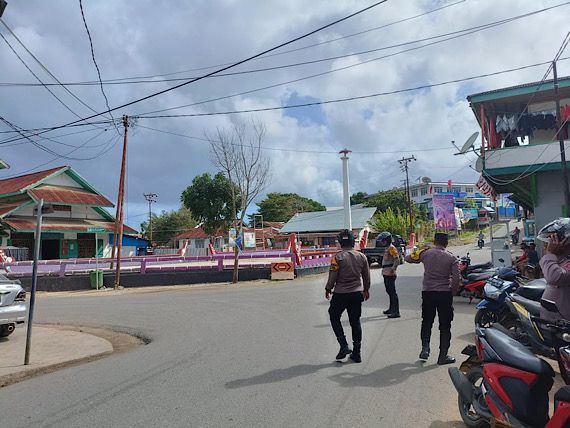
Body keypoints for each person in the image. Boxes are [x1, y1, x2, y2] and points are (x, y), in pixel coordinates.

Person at [405, 233, 461, 365]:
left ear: (435, 242)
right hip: (444, 294)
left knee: (427, 322)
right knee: (445, 325)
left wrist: (421, 251)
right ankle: (443, 356)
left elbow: (408, 258)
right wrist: (452, 293)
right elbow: (456, 278)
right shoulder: (451, 257)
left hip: (428, 293)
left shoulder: (426, 253)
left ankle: (425, 348)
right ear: (446, 243)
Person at [325, 229, 371, 363]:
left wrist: (328, 288)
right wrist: (366, 289)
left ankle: (343, 345)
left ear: (340, 242)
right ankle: (357, 353)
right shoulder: (361, 257)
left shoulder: (337, 257)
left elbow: (333, 275)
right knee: (355, 322)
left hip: (340, 294)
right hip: (356, 293)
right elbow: (366, 277)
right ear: (353, 242)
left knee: (334, 316)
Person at [537, 218, 570, 321]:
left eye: (551, 240)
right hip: (555, 323)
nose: (547, 246)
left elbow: (554, 277)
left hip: (563, 324)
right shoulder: (563, 259)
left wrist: (550, 253)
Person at [376, 231, 401, 318]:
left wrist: (393, 269)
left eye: (383, 241)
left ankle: (396, 312)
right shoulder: (387, 248)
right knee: (389, 292)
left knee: (392, 293)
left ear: (387, 240)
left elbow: (397, 259)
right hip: (386, 273)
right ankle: (391, 309)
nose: (382, 242)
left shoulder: (391, 248)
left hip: (390, 273)